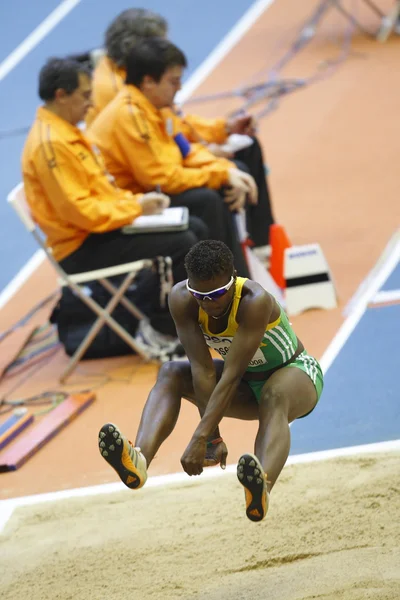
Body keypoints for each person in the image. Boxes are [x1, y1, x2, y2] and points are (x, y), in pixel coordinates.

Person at [98, 240, 324, 522]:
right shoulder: (182, 299)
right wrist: (213, 438)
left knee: (274, 395)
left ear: (233, 280)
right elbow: (202, 371)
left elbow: (230, 376)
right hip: (245, 390)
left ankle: (260, 487)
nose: (209, 302)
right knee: (171, 372)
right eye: (200, 295)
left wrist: (200, 436)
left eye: (217, 294)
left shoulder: (255, 301)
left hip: (295, 375)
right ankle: (139, 460)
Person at [22, 57, 207, 353]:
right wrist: (136, 210)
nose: (91, 103)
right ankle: (161, 329)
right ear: (61, 95)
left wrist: (137, 202)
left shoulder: (68, 130)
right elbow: (82, 213)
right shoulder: (51, 145)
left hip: (99, 230)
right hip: (80, 248)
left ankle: (196, 316)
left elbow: (102, 191)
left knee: (193, 225)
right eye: (84, 96)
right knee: (180, 242)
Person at [85, 8, 275, 251]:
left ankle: (256, 247)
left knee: (240, 157)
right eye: (159, 43)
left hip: (156, 163)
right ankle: (226, 272)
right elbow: (161, 172)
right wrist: (216, 165)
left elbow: (177, 128)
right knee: (211, 195)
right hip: (132, 187)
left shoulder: (146, 88)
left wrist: (221, 132)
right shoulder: (122, 97)